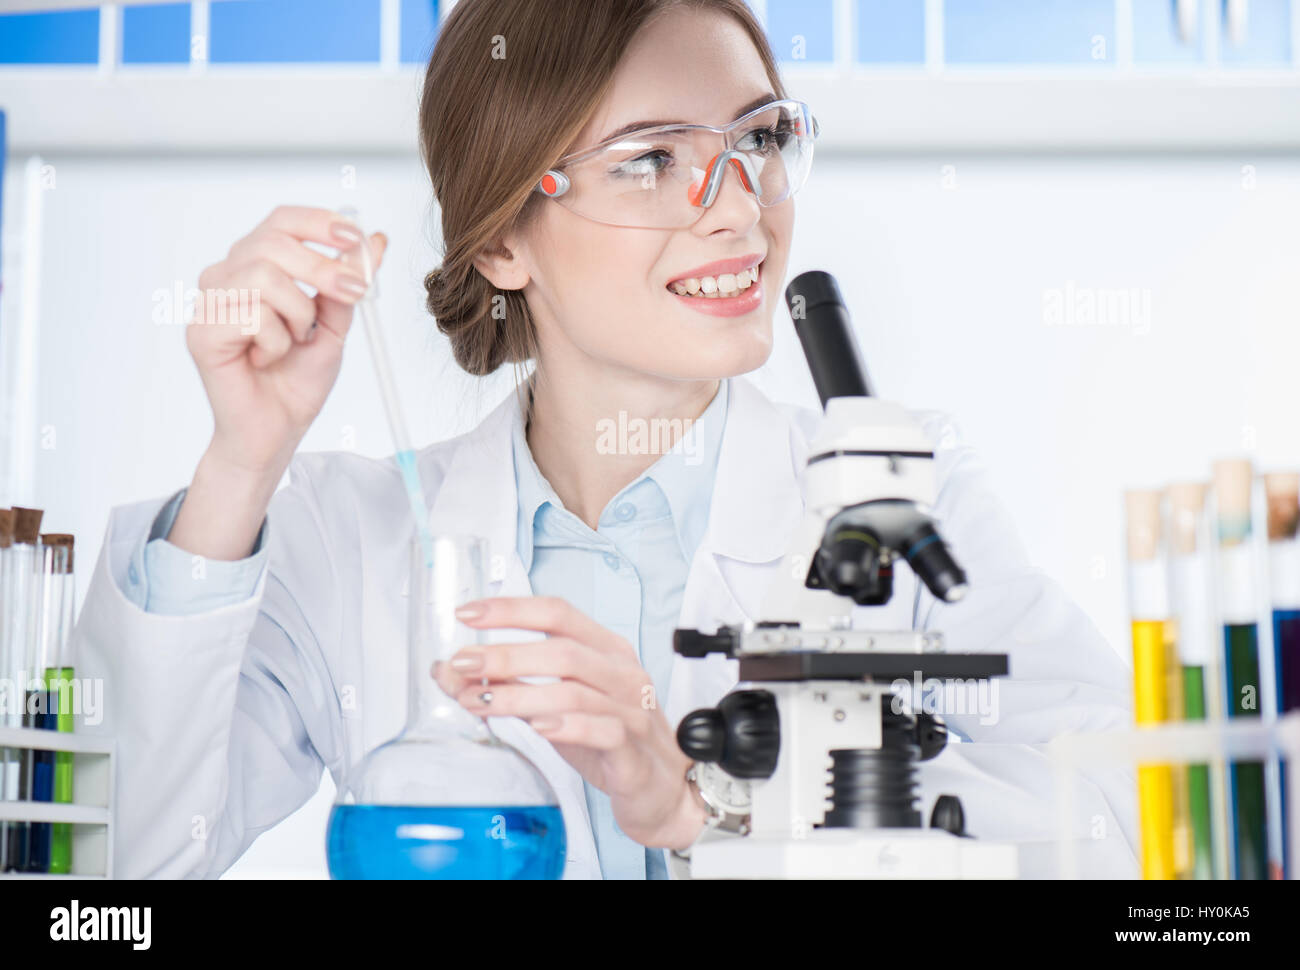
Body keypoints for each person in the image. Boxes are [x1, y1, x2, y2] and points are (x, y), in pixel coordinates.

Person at [75, 0, 1137, 879]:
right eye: (651, 159)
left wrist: (709, 800)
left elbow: (1123, 824)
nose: (739, 212)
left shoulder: (893, 492)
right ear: (500, 240)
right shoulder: (348, 537)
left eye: (758, 139)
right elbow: (103, 874)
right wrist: (241, 460)